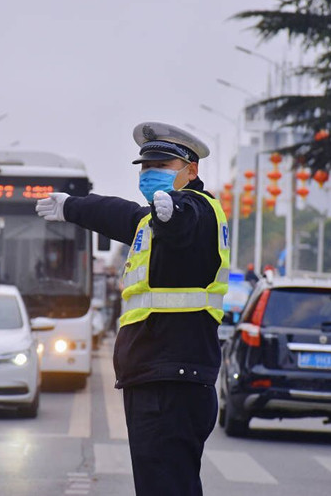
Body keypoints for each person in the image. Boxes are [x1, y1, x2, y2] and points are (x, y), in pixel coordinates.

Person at [35, 122, 228, 495]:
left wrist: (173, 213)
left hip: (171, 380)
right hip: (158, 375)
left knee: (165, 486)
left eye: (163, 166)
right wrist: (72, 206)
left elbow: (184, 221)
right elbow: (118, 213)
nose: (151, 173)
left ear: (191, 170)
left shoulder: (197, 209)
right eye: (146, 166)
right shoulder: (149, 221)